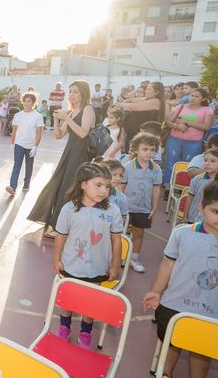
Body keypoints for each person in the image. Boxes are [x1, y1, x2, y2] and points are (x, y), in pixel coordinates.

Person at [142, 177, 218, 378]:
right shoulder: (183, 233)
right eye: (216, 212)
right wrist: (156, 291)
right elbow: (168, 263)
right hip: (175, 306)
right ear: (201, 209)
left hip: (212, 314)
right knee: (170, 349)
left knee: (201, 356)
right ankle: (164, 373)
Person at [53, 162, 123, 349]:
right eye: (98, 185)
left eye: (107, 186)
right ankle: (64, 326)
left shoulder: (112, 211)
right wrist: (56, 259)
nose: (103, 190)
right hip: (71, 264)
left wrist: (115, 265)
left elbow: (116, 241)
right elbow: (61, 237)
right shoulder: (69, 209)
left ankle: (85, 330)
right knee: (68, 298)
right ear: (83, 185)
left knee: (90, 302)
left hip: (98, 267)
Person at [28, 80, 96, 237]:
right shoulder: (72, 113)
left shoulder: (88, 109)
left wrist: (67, 117)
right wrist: (57, 120)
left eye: (76, 91)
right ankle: (57, 223)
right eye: (70, 91)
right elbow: (58, 135)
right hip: (69, 153)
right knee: (59, 184)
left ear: (83, 93)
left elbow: (83, 133)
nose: (72, 94)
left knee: (70, 188)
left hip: (81, 155)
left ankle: (62, 227)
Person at [120, 132, 162, 273]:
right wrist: (118, 205)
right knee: (121, 232)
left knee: (139, 234)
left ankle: (134, 258)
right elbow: (121, 187)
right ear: (136, 150)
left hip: (143, 208)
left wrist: (154, 207)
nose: (149, 153)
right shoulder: (128, 167)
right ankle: (120, 255)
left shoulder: (156, 169)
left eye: (152, 150)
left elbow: (156, 189)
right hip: (126, 207)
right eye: (145, 149)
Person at [162, 87, 212, 188]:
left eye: (196, 96)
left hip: (194, 142)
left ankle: (183, 188)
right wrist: (177, 126)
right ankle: (168, 187)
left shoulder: (207, 110)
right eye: (192, 95)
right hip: (174, 140)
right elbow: (167, 121)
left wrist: (187, 122)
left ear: (203, 99)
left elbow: (207, 126)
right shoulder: (180, 107)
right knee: (170, 163)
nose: (192, 98)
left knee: (188, 165)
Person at [6, 93, 43, 194]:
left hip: (31, 146)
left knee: (29, 166)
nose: (27, 103)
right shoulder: (18, 115)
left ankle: (26, 184)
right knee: (17, 165)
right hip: (19, 144)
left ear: (33, 103)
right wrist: (12, 144)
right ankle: (13, 186)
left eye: (29, 101)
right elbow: (14, 131)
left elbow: (39, 133)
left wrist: (35, 146)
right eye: (25, 101)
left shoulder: (38, 116)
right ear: (23, 102)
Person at [117, 81, 165, 152]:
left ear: (156, 92)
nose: (145, 91)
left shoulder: (156, 101)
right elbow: (130, 100)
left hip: (143, 137)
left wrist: (118, 104)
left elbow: (133, 107)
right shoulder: (147, 98)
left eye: (148, 89)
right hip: (133, 134)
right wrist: (124, 102)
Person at [184, 148, 218, 224]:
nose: (207, 163)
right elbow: (190, 198)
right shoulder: (197, 179)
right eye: (205, 160)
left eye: (212, 161)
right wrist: (185, 216)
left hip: (213, 221)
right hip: (194, 218)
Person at [101, 159, 129, 226]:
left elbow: (123, 217)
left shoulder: (122, 198)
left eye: (120, 175)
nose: (118, 178)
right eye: (114, 175)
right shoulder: (93, 194)